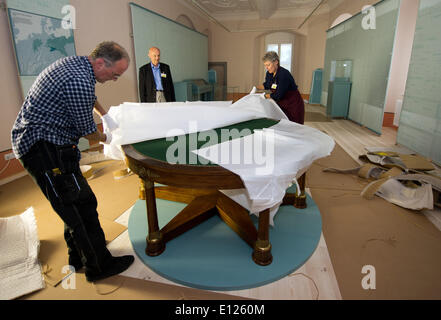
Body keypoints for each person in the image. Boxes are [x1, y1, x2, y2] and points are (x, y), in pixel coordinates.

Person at [11, 41, 134, 283]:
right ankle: (98, 266)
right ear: (100, 63)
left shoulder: (78, 66)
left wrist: (105, 114)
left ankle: (78, 256)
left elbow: (90, 96)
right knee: (79, 205)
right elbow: (88, 132)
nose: (115, 79)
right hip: (43, 149)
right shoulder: (77, 80)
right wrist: (109, 137)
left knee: (72, 201)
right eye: (115, 74)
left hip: (48, 144)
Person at [257, 51, 305, 124]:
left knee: (293, 125)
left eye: (268, 65)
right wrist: (255, 88)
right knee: (282, 125)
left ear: (276, 62)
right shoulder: (269, 73)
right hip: (282, 103)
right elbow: (267, 85)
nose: (266, 68)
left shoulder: (284, 74)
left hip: (293, 104)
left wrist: (265, 96)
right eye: (265, 65)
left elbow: (278, 94)